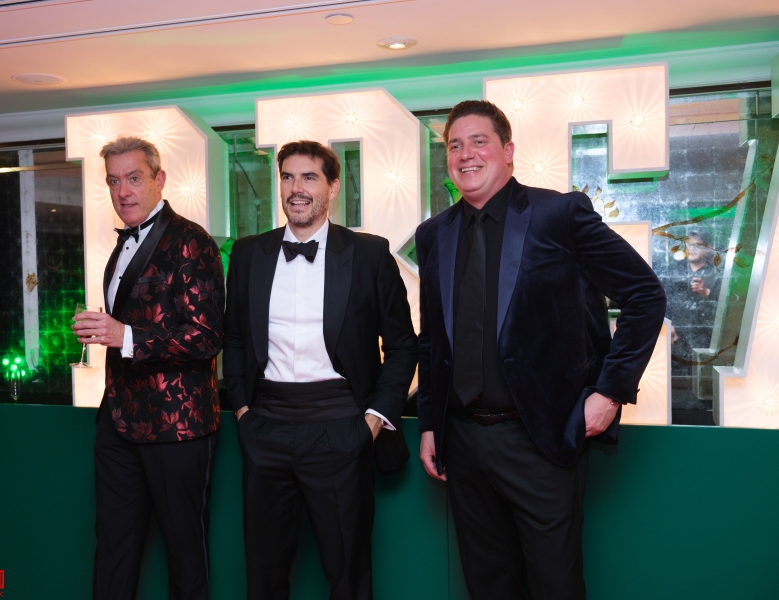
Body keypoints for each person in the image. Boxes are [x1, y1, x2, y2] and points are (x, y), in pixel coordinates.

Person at [415, 101, 666, 599]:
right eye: (455, 145)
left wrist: (609, 393)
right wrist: (428, 423)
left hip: (541, 438)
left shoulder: (559, 214)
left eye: (479, 141)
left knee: (555, 585)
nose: (466, 154)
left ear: (508, 151)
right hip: (461, 440)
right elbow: (432, 339)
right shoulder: (432, 234)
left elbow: (645, 295)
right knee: (487, 585)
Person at [223, 140, 418, 600]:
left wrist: (372, 422)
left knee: (348, 576)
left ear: (332, 187)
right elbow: (234, 339)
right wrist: (244, 412)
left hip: (341, 427)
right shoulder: (249, 254)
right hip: (265, 427)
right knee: (263, 577)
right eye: (287, 177)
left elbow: (403, 346)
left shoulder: (370, 254)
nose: (296, 188)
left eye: (309, 177)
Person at [72, 136, 224, 600]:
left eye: (134, 178)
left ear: (160, 179)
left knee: (184, 555)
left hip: (176, 426)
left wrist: (125, 336)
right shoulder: (120, 246)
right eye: (113, 181)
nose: (123, 192)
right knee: (112, 550)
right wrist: (108, 333)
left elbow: (206, 337)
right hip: (117, 421)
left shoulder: (193, 240)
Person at [667, 230, 722, 354]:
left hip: (704, 338)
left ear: (708, 248)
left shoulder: (716, 275)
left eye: (697, 245)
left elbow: (726, 309)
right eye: (688, 245)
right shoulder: (674, 272)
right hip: (676, 337)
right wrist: (667, 325)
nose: (691, 249)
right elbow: (666, 302)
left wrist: (706, 293)